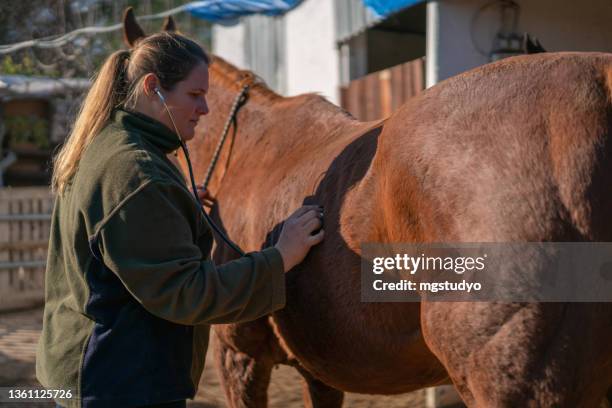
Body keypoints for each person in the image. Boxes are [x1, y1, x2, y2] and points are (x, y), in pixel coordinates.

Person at [36, 31, 324, 408]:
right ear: (153, 87)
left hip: (99, 372)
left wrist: (172, 207)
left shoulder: (111, 148)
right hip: (120, 385)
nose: (206, 109)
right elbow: (188, 293)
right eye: (195, 95)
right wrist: (282, 256)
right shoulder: (136, 175)